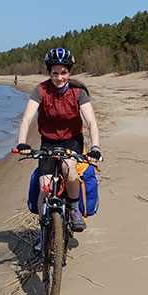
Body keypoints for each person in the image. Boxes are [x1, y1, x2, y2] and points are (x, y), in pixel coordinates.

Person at [15, 48, 101, 232]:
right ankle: (43, 231)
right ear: (49, 72)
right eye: (55, 73)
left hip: (72, 141)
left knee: (70, 170)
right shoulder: (40, 90)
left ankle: (75, 210)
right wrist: (22, 142)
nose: (59, 77)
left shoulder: (78, 93)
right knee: (45, 189)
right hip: (48, 142)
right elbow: (27, 118)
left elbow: (91, 121)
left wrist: (95, 148)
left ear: (69, 72)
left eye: (64, 73)